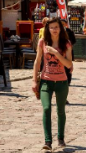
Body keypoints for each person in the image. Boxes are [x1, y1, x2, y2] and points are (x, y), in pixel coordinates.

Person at [32, 17, 73, 151]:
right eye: (52, 27)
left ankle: (60, 138)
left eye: (57, 27)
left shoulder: (66, 44)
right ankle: (48, 141)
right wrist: (34, 80)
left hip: (61, 82)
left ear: (60, 28)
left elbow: (69, 64)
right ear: (47, 29)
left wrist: (56, 53)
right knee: (46, 108)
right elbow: (37, 61)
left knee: (60, 110)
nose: (54, 30)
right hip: (46, 81)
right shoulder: (42, 42)